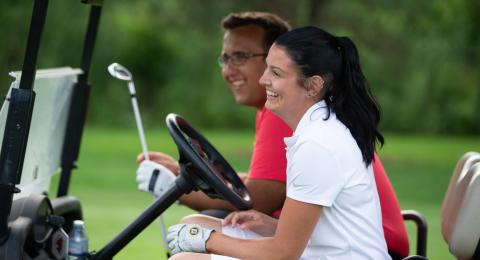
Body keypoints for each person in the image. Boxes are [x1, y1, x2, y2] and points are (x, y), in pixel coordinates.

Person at [136, 12, 409, 258]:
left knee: (189, 254)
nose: (264, 79)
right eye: (267, 67)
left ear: (313, 85)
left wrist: (207, 240)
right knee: (193, 226)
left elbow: (283, 253)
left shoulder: (317, 143)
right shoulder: (316, 127)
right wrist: (270, 225)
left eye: (275, 72)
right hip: (326, 251)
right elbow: (325, 230)